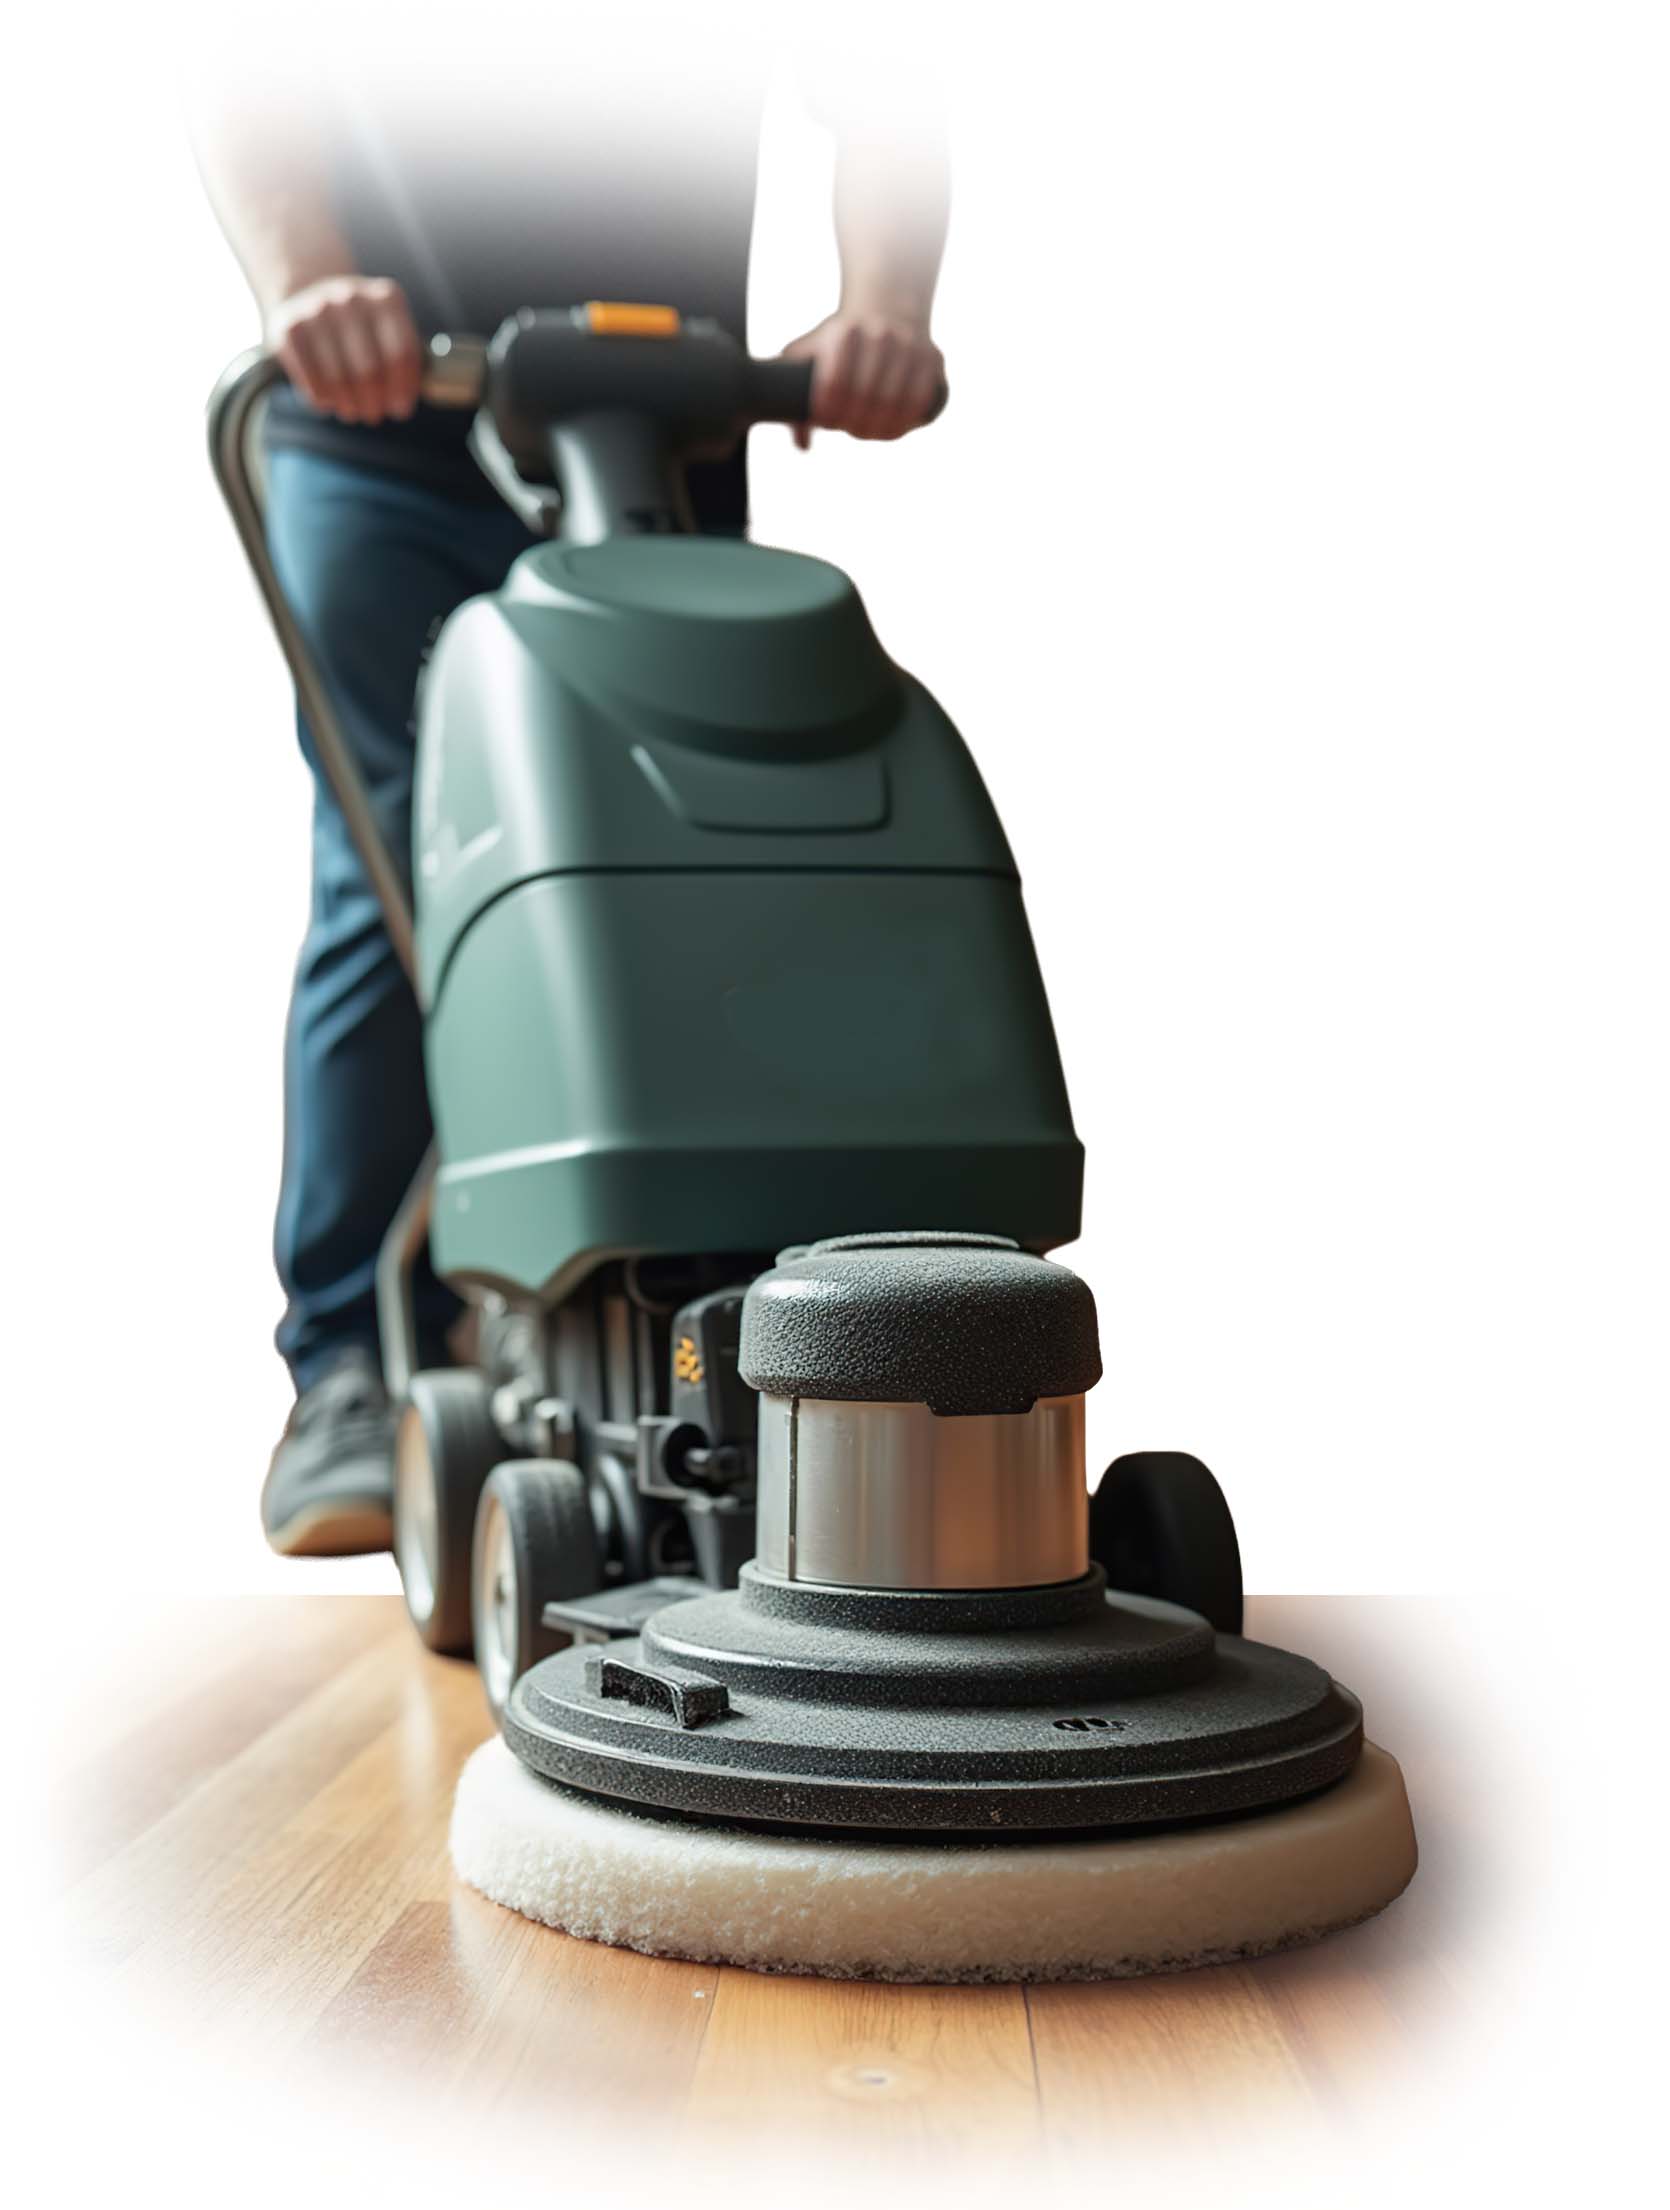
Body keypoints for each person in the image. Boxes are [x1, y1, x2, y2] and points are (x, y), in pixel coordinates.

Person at [193, 34, 950, 1558]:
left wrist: (883, 304)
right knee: (411, 862)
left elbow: (890, 73)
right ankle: (348, 1359)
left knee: (706, 843)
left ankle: (723, 1301)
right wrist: (306, 280)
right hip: (380, 423)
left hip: (662, 421)